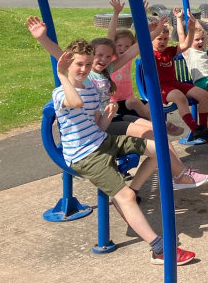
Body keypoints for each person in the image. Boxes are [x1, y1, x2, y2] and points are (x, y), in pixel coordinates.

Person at [52, 40, 196, 265]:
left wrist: (107, 116)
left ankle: (179, 176)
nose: (84, 69)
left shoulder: (90, 87)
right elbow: (75, 102)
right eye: (79, 64)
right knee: (126, 196)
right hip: (84, 155)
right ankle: (159, 250)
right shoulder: (60, 92)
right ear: (68, 63)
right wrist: (60, 73)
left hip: (103, 140)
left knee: (160, 147)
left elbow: (97, 124)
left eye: (88, 65)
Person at [25, 16, 208, 190]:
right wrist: (42, 38)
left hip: (111, 116)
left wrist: (154, 32)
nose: (103, 60)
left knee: (158, 132)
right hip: (99, 125)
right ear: (89, 57)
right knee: (154, 134)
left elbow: (132, 51)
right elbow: (61, 55)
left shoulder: (107, 70)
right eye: (99, 55)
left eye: (107, 56)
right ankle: (180, 175)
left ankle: (165, 179)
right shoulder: (87, 74)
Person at [107, 0, 184, 136]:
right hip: (115, 103)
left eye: (126, 46)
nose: (123, 48)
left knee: (151, 105)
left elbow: (144, 39)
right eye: (119, 45)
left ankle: (158, 128)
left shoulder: (127, 58)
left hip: (127, 100)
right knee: (134, 102)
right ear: (113, 46)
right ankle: (161, 126)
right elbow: (110, 36)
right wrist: (116, 13)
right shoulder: (111, 59)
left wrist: (144, 19)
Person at [153, 10, 208, 143]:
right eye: (159, 39)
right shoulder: (149, 54)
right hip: (161, 88)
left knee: (203, 95)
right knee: (180, 98)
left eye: (165, 39)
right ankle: (195, 129)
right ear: (152, 39)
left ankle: (203, 129)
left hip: (174, 84)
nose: (163, 42)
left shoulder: (169, 51)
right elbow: (141, 42)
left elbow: (186, 45)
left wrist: (191, 30)